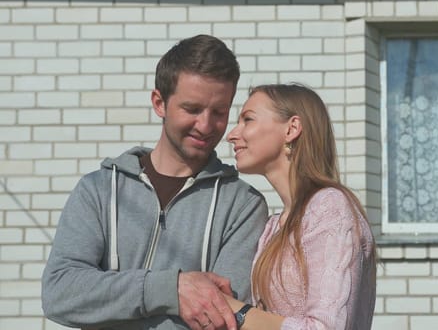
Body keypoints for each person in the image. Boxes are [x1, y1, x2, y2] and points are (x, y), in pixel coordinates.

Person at [41, 34, 268, 330]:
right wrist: (170, 289)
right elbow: (60, 293)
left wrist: (107, 298)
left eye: (219, 112)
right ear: (159, 103)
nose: (206, 125)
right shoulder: (98, 190)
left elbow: (222, 318)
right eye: (192, 109)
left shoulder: (243, 206)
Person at [224, 84, 376, 329]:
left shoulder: (330, 209)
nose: (232, 134)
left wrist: (237, 312)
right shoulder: (274, 225)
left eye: (248, 120)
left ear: (291, 129)